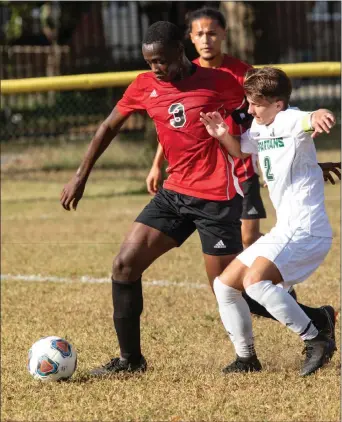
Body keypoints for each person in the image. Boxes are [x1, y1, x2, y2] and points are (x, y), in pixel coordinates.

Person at [60, 22, 336, 376]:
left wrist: (303, 158)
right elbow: (109, 126)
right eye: (149, 62)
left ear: (180, 50)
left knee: (231, 288)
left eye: (161, 60)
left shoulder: (221, 81)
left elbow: (269, 115)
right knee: (124, 266)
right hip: (174, 194)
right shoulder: (145, 85)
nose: (156, 68)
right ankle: (130, 361)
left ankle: (313, 321)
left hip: (217, 200)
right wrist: (81, 174)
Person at [200, 66, 337, 376]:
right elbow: (241, 150)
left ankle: (316, 338)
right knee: (225, 286)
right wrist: (223, 134)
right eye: (249, 102)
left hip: (306, 230)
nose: (250, 110)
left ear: (278, 103)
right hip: (285, 229)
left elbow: (309, 117)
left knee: (256, 282)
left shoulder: (289, 119)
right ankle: (247, 358)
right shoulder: (260, 127)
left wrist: (320, 114)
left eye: (257, 104)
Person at [146, 7, 266, 249]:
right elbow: (173, 127)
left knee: (248, 238)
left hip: (241, 167)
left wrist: (265, 160)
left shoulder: (243, 74)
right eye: (199, 34)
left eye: (212, 33)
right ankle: (267, 282)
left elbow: (264, 117)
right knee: (232, 246)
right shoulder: (181, 74)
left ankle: (280, 280)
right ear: (190, 38)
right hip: (206, 175)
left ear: (224, 34)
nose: (205, 40)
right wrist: (156, 165)